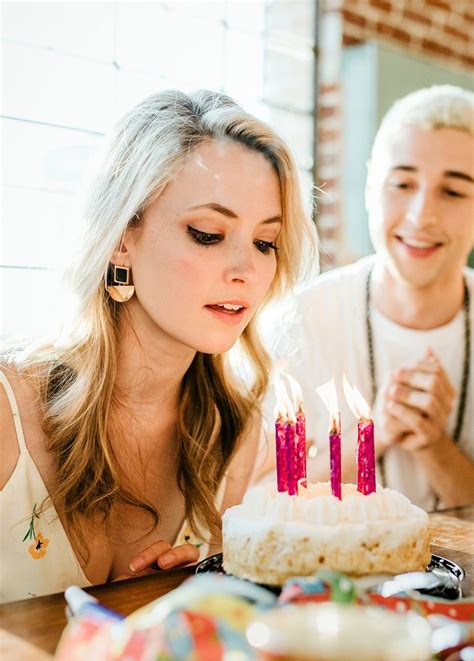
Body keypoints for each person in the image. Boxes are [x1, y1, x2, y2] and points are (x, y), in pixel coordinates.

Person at [0, 89, 318, 602]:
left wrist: (164, 607)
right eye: (208, 233)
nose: (246, 271)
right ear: (123, 236)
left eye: (265, 243)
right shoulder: (7, 412)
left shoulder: (235, 436)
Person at [276, 84, 473, 511]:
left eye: (454, 191)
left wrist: (432, 442)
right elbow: (280, 499)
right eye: (402, 183)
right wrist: (378, 429)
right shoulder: (304, 319)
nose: (422, 215)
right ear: (369, 188)